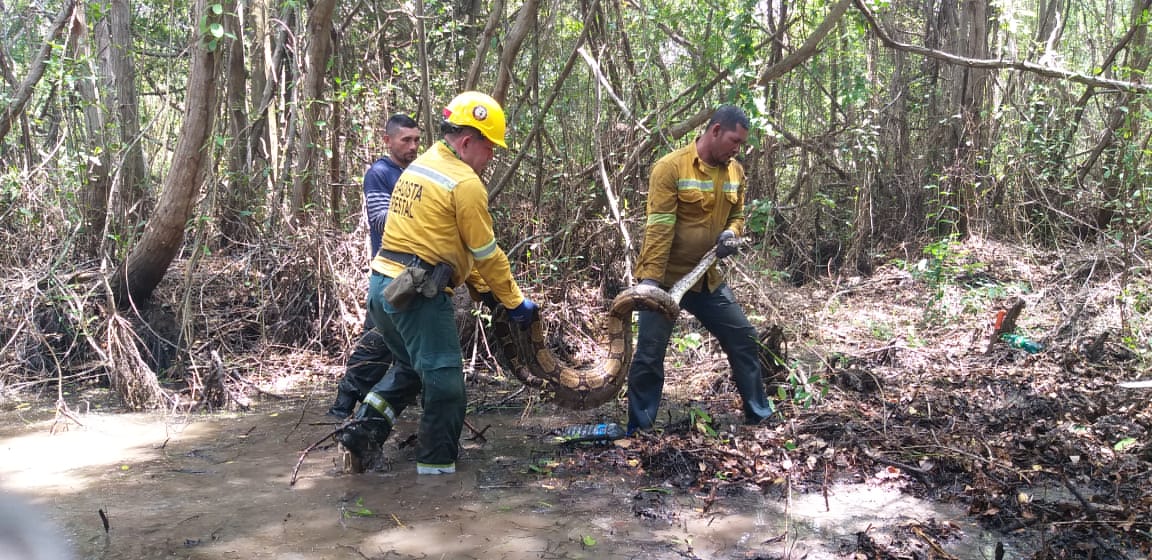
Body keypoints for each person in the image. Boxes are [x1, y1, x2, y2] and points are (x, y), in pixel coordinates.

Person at [336, 91, 538, 475]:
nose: (492, 156)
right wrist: (514, 301)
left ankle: (362, 433)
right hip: (418, 297)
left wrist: (485, 291)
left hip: (383, 290)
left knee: (410, 370)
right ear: (467, 141)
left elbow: (448, 245)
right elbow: (487, 254)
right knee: (445, 384)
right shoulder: (464, 183)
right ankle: (436, 477)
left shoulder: (419, 167)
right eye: (490, 147)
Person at [627, 105, 775, 434]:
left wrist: (732, 234)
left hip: (707, 278)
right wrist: (651, 285)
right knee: (650, 354)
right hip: (666, 279)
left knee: (743, 338)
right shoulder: (670, 167)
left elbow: (737, 215)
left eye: (742, 144)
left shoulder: (735, 171)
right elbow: (659, 227)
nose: (737, 149)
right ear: (715, 130)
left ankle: (759, 416)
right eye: (734, 140)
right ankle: (639, 431)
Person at [326, 113, 422, 419]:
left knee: (410, 350)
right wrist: (424, 213)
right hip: (390, 276)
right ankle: (342, 409)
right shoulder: (379, 174)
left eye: (417, 140)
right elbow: (380, 218)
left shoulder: (419, 173)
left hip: (417, 276)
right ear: (388, 141)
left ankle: (398, 412)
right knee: (375, 345)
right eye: (406, 140)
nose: (412, 146)